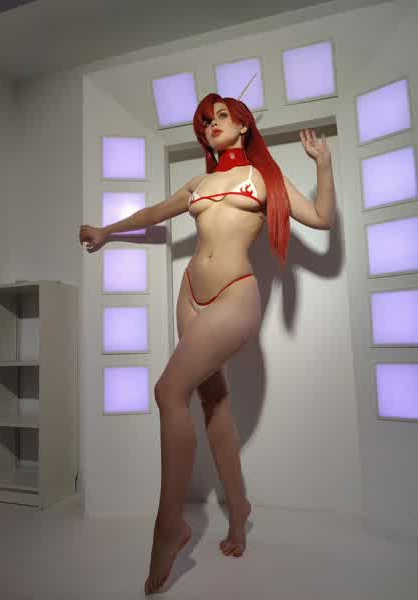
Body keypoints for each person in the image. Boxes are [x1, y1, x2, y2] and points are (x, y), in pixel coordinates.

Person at [79, 92, 334, 595]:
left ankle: (168, 527)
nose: (212, 124)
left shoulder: (263, 178)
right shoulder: (199, 183)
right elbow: (155, 211)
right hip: (190, 295)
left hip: (235, 294)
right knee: (212, 401)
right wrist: (107, 231)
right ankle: (238, 508)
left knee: (167, 390)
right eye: (206, 121)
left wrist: (323, 165)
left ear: (243, 126)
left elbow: (322, 219)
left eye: (221, 116)